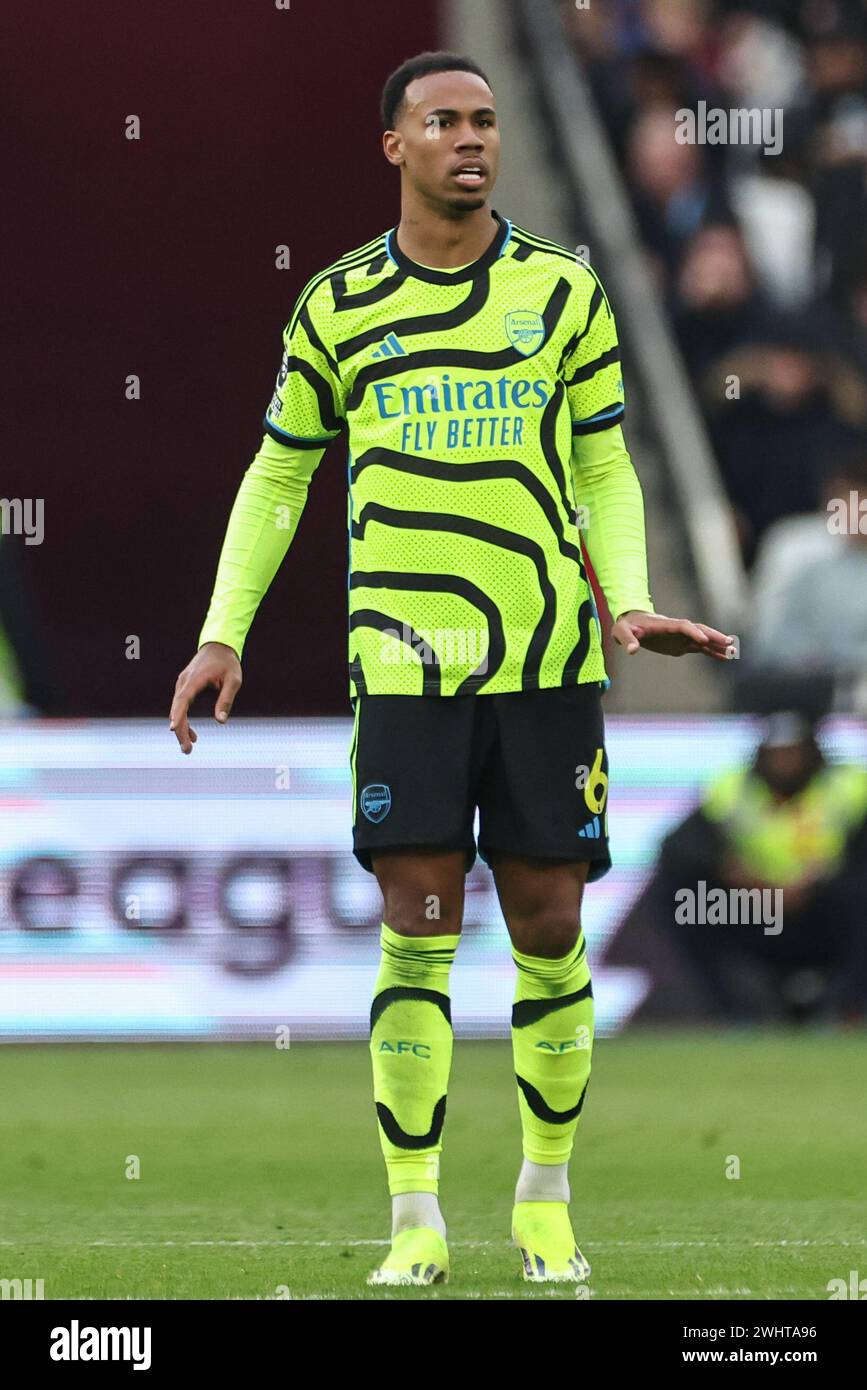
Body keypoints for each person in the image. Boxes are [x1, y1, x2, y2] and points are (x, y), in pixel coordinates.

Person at [168, 51, 731, 1287]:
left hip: (543, 663)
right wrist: (224, 631)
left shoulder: (565, 291)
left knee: (549, 925)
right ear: (396, 147)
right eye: (443, 122)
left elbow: (602, 466)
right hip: (406, 672)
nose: (471, 139)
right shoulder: (336, 306)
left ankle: (544, 1199)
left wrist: (631, 602)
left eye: (484, 120)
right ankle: (414, 1218)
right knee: (416, 931)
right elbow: (280, 477)